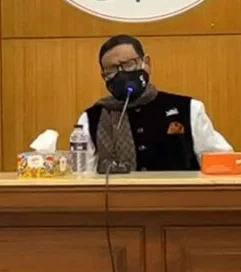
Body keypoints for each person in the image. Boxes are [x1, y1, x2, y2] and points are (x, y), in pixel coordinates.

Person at [77, 34, 232, 172]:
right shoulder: (91, 119)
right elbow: (81, 175)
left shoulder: (188, 109)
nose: (121, 74)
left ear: (146, 63)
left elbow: (221, 162)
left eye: (128, 64)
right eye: (111, 70)